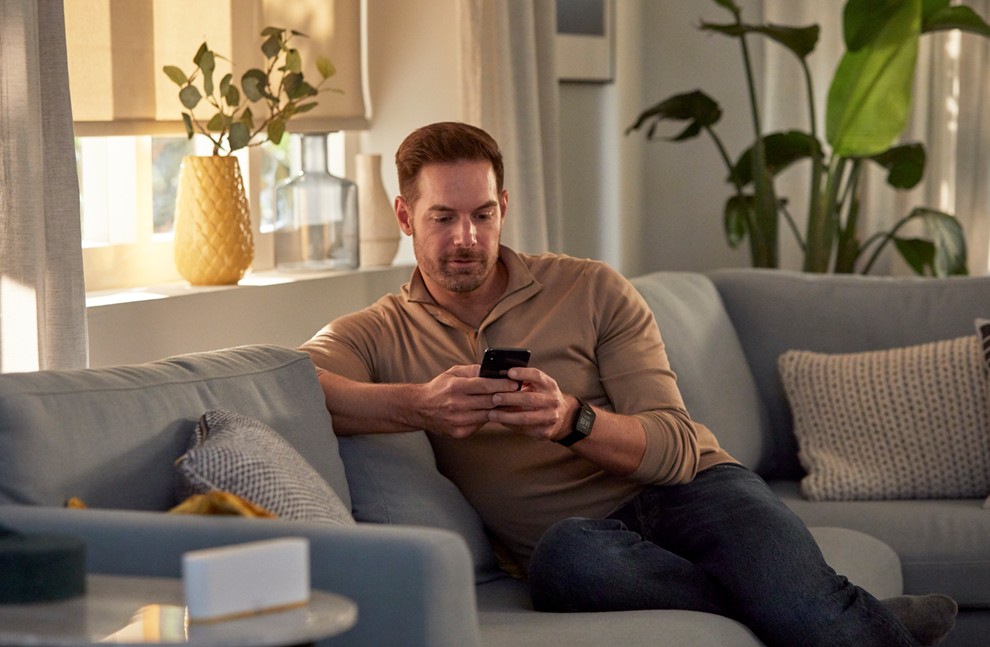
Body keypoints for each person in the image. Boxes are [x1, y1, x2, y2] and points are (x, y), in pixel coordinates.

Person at [300, 121, 957, 647]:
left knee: (804, 604)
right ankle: (838, 610)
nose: (466, 238)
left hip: (693, 490)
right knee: (567, 562)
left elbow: (675, 446)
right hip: (580, 539)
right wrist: (421, 404)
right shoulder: (380, 331)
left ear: (504, 208)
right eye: (443, 217)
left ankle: (823, 610)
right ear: (405, 215)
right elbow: (299, 382)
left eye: (483, 214)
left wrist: (570, 420)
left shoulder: (589, 287)